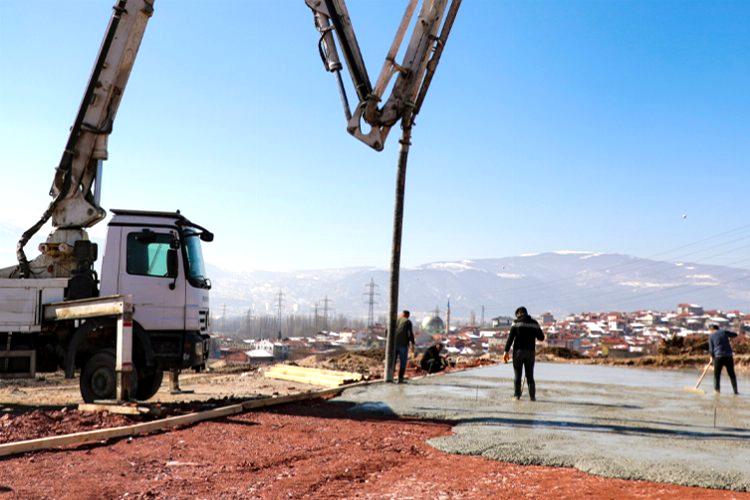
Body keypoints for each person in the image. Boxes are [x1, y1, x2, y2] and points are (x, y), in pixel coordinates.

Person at [503, 306, 545, 401]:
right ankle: (532, 397)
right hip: (530, 352)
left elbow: (510, 338)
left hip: (518, 352)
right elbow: (541, 337)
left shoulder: (516, 323)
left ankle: (517, 395)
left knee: (518, 375)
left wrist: (506, 351)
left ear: (518, 314)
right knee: (530, 376)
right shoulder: (534, 323)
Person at [708, 324, 739, 395]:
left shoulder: (711, 336)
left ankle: (717, 392)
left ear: (711, 329)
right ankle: (735, 391)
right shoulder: (724, 332)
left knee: (716, 375)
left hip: (718, 357)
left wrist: (711, 357)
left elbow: (711, 349)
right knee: (732, 374)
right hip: (728, 356)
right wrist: (730, 337)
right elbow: (735, 335)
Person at [393, 310, 415, 383]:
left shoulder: (396, 320)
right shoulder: (408, 322)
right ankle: (400, 379)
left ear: (402, 314)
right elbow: (410, 333)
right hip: (403, 345)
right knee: (403, 362)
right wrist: (412, 343)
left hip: (393, 344)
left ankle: (390, 378)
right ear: (408, 315)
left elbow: (387, 330)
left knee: (393, 361)